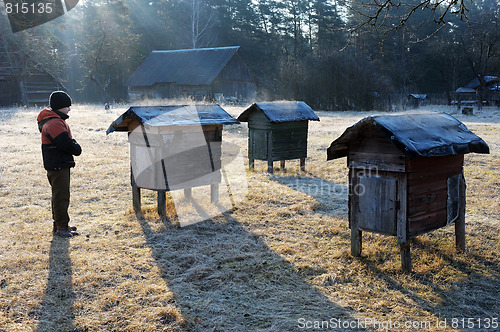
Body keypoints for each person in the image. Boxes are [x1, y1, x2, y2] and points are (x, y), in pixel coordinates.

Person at [37, 91, 82, 237]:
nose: (69, 109)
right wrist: (76, 146)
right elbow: (65, 144)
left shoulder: (53, 120)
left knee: (59, 195)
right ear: (59, 107)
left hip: (57, 163)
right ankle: (61, 227)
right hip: (58, 164)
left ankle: (60, 224)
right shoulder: (55, 122)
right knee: (61, 196)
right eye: (67, 106)